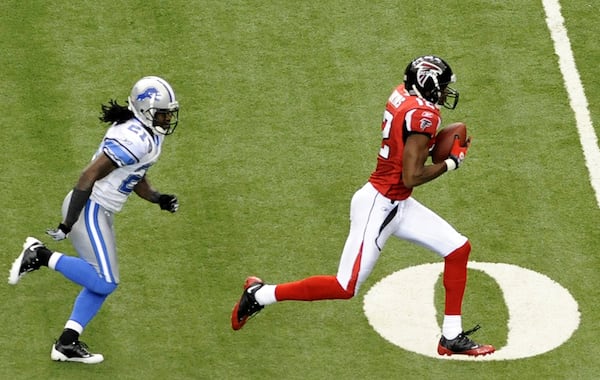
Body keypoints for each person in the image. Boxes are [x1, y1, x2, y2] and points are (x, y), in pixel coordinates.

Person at [231, 56, 495, 357]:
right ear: (428, 84)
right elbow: (411, 176)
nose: (446, 93)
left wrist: (433, 148)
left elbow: (408, 150)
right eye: (443, 86)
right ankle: (260, 294)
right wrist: (451, 162)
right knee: (345, 286)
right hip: (379, 205)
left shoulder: (403, 95)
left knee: (458, 249)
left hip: (397, 203)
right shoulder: (423, 116)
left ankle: (451, 337)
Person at [8, 76, 181, 364]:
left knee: (101, 280)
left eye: (168, 113)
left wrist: (158, 198)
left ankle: (66, 343)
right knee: (107, 280)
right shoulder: (133, 138)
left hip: (101, 210)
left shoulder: (149, 136)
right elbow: (88, 175)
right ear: (144, 111)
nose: (167, 118)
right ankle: (40, 255)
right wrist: (67, 223)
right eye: (162, 112)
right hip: (89, 209)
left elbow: (135, 174)